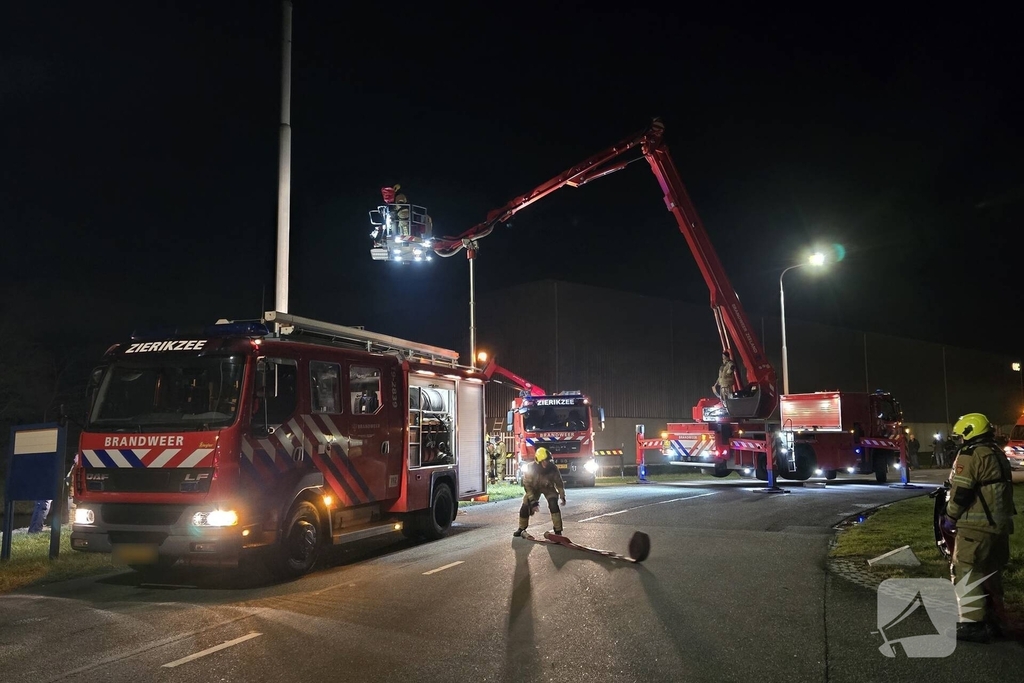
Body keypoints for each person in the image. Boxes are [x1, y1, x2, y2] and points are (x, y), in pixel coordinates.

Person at [940, 412, 1016, 642]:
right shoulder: (997, 452)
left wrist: (950, 516)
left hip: (976, 526)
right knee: (991, 573)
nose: (960, 440)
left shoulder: (971, 454)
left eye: (960, 436)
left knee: (966, 571)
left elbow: (962, 492)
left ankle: (973, 624)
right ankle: (995, 620)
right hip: (999, 525)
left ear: (969, 432)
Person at [513, 447, 566, 537]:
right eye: (544, 461)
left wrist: (562, 495)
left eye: (548, 460)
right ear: (538, 461)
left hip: (548, 488)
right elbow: (527, 486)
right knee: (525, 506)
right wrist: (533, 502)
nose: (546, 463)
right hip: (534, 489)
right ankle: (522, 528)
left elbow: (559, 482)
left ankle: (558, 530)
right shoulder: (530, 468)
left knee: (553, 505)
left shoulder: (553, 468)